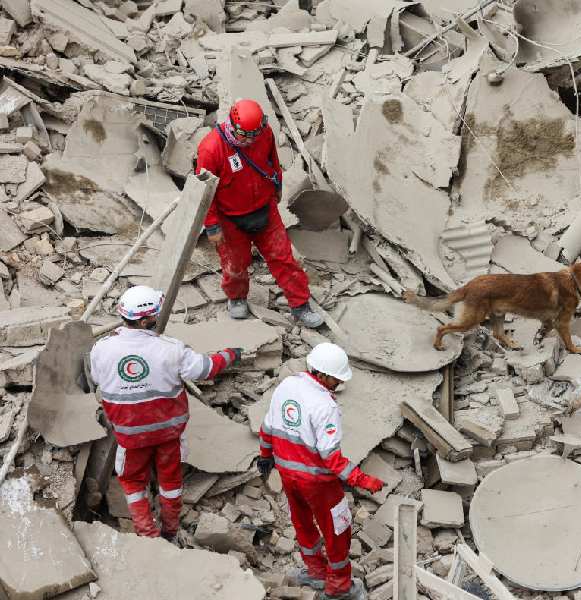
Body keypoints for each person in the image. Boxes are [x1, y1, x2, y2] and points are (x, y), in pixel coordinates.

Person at [90, 286, 242, 539]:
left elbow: (97, 378)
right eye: (155, 313)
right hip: (167, 434)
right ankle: (170, 530)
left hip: (131, 436)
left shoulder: (101, 348)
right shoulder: (171, 349)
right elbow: (204, 369)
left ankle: (147, 533)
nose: (157, 316)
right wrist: (229, 355)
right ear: (146, 320)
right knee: (170, 480)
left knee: (132, 481)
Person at [257, 343, 384, 600]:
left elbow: (267, 427)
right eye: (337, 378)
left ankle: (315, 572)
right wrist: (363, 480)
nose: (340, 383)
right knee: (338, 529)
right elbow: (331, 458)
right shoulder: (326, 406)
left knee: (302, 522)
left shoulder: (287, 386)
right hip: (317, 482)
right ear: (323, 374)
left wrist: (265, 455)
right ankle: (338, 587)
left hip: (288, 474)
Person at [196, 98, 324, 328]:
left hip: (264, 209)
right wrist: (212, 225)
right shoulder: (211, 148)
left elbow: (273, 161)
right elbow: (204, 192)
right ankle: (237, 297)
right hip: (230, 218)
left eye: (254, 135)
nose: (249, 141)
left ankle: (300, 305)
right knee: (234, 264)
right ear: (233, 125)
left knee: (284, 259)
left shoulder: (264, 134)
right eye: (244, 136)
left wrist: (277, 188)